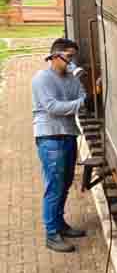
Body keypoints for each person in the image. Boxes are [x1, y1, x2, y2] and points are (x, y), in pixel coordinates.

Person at [32, 38, 89, 253]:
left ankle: (60, 225)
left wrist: (78, 102)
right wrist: (78, 104)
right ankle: (51, 234)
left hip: (68, 135)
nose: (72, 62)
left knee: (64, 184)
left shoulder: (71, 78)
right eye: (69, 57)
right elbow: (52, 107)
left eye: (74, 57)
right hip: (50, 138)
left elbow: (82, 95)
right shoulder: (42, 79)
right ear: (55, 56)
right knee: (54, 187)